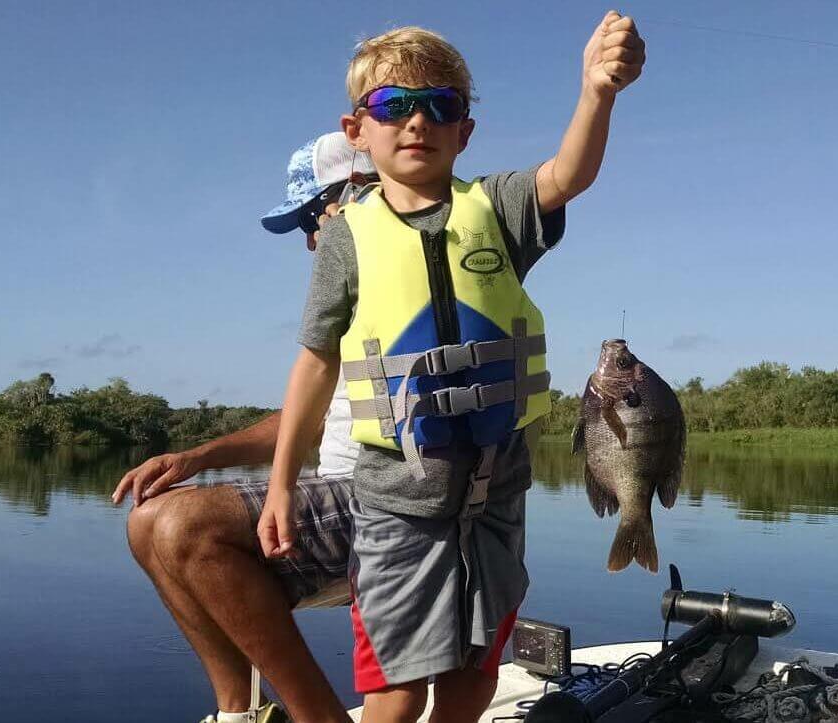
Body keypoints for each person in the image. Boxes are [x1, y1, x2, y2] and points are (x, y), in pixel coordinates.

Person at [259, 14, 646, 723]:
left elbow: (569, 173)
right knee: (397, 689)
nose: (418, 121)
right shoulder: (346, 238)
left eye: (439, 105)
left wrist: (598, 90)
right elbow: (314, 364)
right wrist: (281, 484)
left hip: (498, 496)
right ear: (356, 130)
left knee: (473, 676)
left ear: (464, 131)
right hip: (397, 503)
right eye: (393, 105)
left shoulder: (497, 208)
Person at [112, 133, 376, 723]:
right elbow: (305, 422)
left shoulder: (404, 276)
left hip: (389, 500)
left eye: (311, 216)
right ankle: (242, 712)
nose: (310, 239)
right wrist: (197, 457)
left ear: (358, 189)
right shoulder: (345, 296)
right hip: (338, 493)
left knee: (188, 526)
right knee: (146, 521)